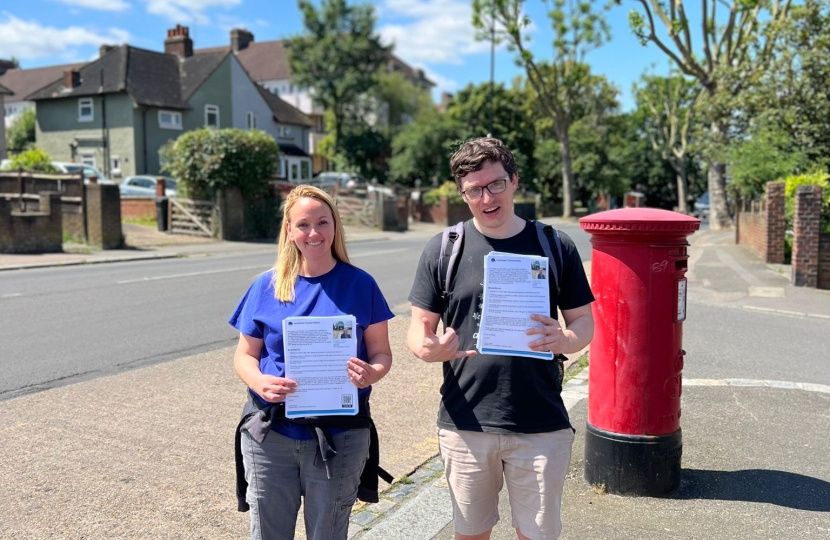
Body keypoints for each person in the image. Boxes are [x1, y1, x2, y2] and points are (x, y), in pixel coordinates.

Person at [407, 137, 595, 540]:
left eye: (494, 184)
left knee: (538, 535)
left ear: (513, 181)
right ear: (462, 193)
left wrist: (565, 339)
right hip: (467, 420)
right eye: (473, 189)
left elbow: (584, 323)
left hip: (541, 420)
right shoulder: (444, 248)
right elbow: (418, 328)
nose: (486, 197)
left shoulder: (554, 244)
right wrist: (428, 348)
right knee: (471, 534)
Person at [230, 185, 394, 540]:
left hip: (340, 436)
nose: (314, 233)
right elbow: (245, 356)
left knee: (328, 535)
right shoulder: (266, 286)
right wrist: (260, 382)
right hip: (271, 435)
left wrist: (371, 374)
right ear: (289, 231)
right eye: (303, 224)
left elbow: (381, 353)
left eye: (323, 222)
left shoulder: (361, 284)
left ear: (335, 226)